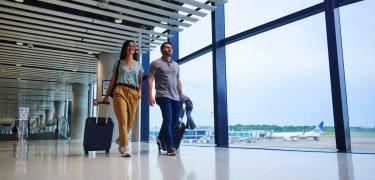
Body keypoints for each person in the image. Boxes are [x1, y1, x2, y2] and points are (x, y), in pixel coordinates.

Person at [103, 40, 143, 157]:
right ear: (125, 48)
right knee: (123, 121)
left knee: (130, 123)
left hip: (134, 93)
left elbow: (140, 81)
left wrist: (139, 93)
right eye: (129, 46)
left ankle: (121, 139)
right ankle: (124, 148)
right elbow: (112, 80)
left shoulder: (138, 65)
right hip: (120, 91)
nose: (132, 47)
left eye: (133, 46)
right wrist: (106, 96)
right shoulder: (119, 63)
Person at [148, 42, 182, 156]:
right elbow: (150, 79)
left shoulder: (176, 65)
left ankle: (160, 137)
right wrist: (149, 95)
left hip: (175, 96)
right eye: (167, 47)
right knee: (168, 119)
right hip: (162, 95)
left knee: (175, 121)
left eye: (171, 48)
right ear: (162, 50)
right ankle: (170, 147)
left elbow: (178, 81)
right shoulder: (155, 63)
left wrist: (181, 95)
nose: (170, 49)